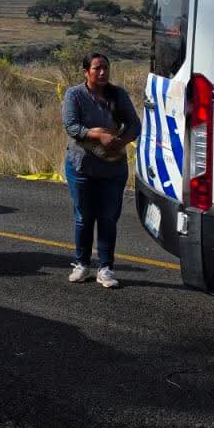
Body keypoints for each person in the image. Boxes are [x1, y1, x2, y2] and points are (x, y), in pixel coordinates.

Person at [61, 52, 141, 288]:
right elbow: (72, 126)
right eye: (97, 68)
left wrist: (121, 141)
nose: (102, 72)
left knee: (108, 218)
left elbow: (135, 124)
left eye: (105, 67)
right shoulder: (74, 95)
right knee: (84, 217)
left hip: (113, 167)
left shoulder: (118, 95)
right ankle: (82, 264)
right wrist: (99, 134)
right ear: (86, 72)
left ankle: (105, 268)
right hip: (81, 165)